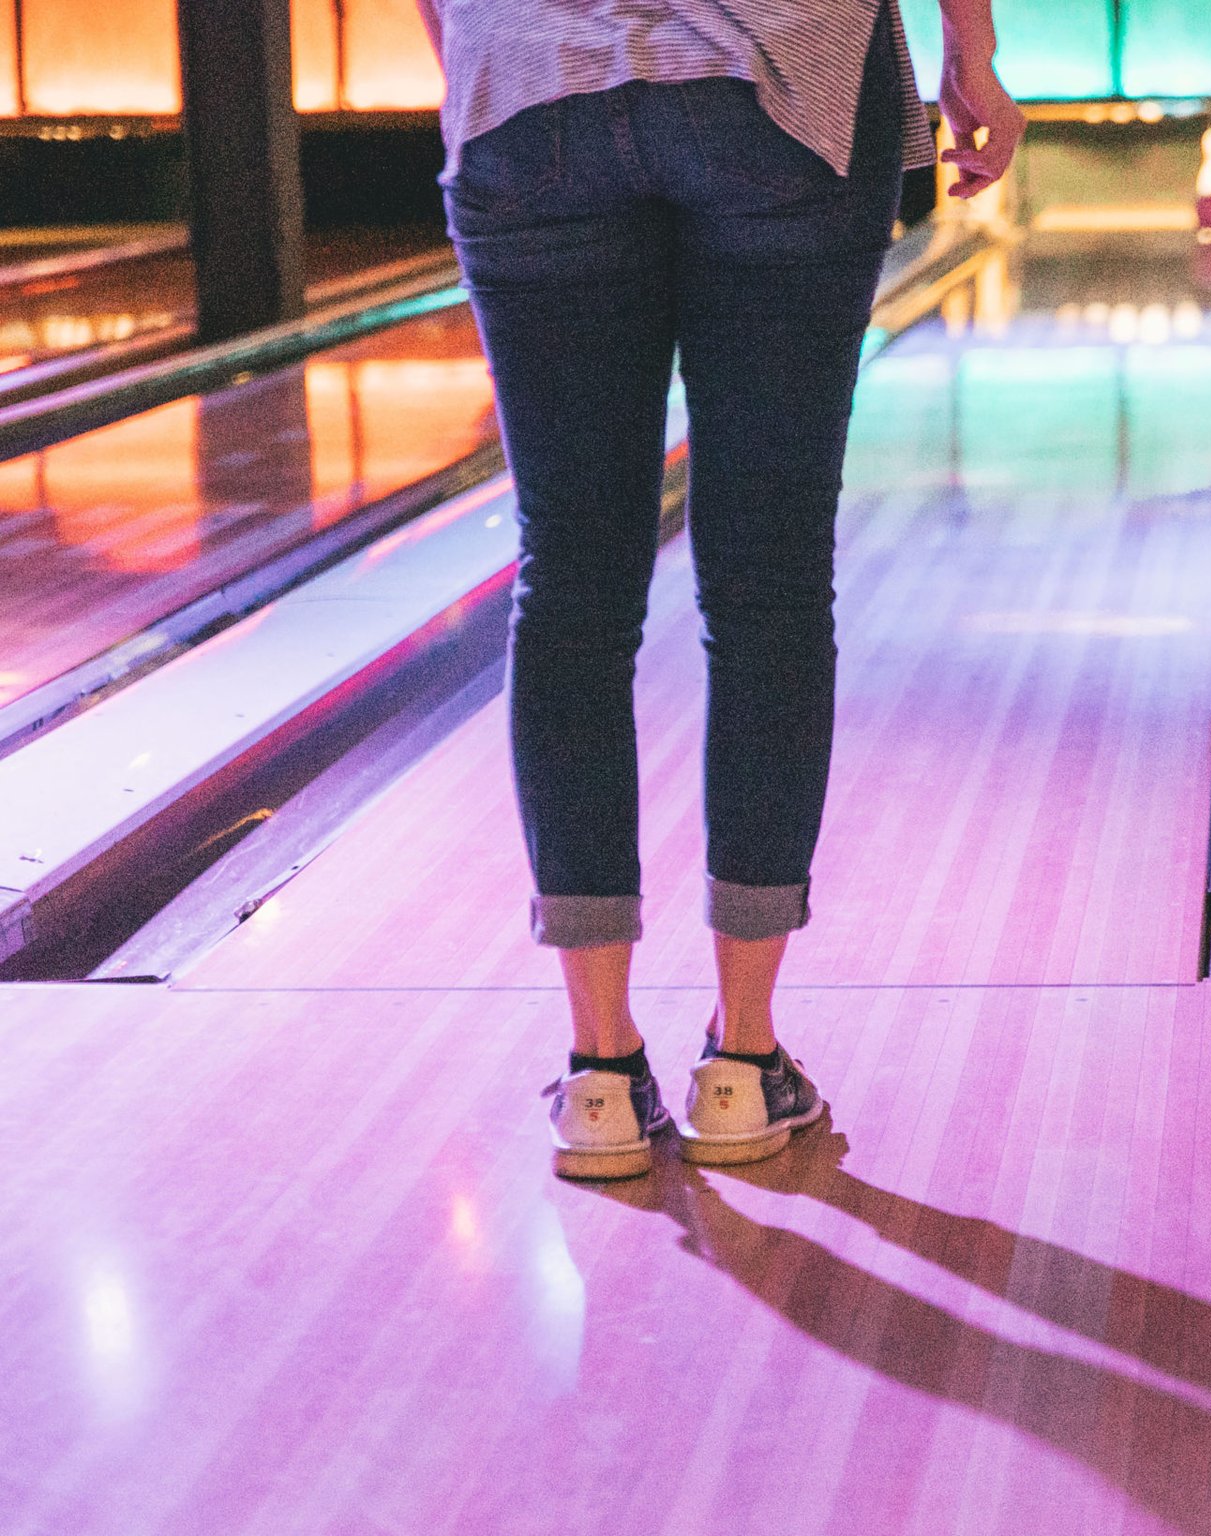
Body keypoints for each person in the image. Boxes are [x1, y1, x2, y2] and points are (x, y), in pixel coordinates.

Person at [414, 0, 1024, 1178]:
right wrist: (972, 54)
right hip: (784, 77)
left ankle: (599, 1073)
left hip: (525, 88)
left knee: (572, 579)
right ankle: (741, 1063)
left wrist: (490, 55)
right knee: (769, 580)